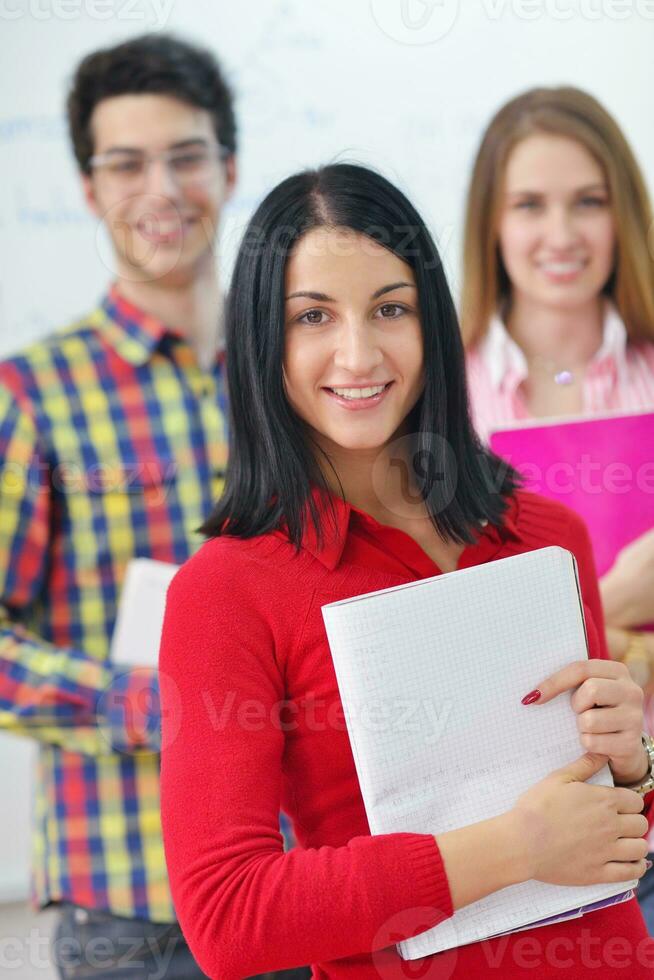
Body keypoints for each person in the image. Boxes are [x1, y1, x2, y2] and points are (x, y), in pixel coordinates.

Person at [158, 162, 654, 979]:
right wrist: (517, 845)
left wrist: (632, 763)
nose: (359, 353)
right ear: (261, 342)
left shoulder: (545, 536)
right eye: (313, 317)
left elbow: (617, 840)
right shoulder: (225, 593)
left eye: (390, 308)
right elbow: (228, 918)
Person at [0, 32, 307, 980]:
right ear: (89, 190)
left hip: (320, 872)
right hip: (139, 906)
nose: (161, 190)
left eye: (186, 156)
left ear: (230, 166)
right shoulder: (32, 396)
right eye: (126, 164)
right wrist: (167, 704)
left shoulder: (305, 375)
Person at [460, 85, 654, 929]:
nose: (562, 235)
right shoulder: (436, 401)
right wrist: (612, 607)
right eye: (530, 205)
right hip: (522, 828)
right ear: (491, 227)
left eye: (588, 202)